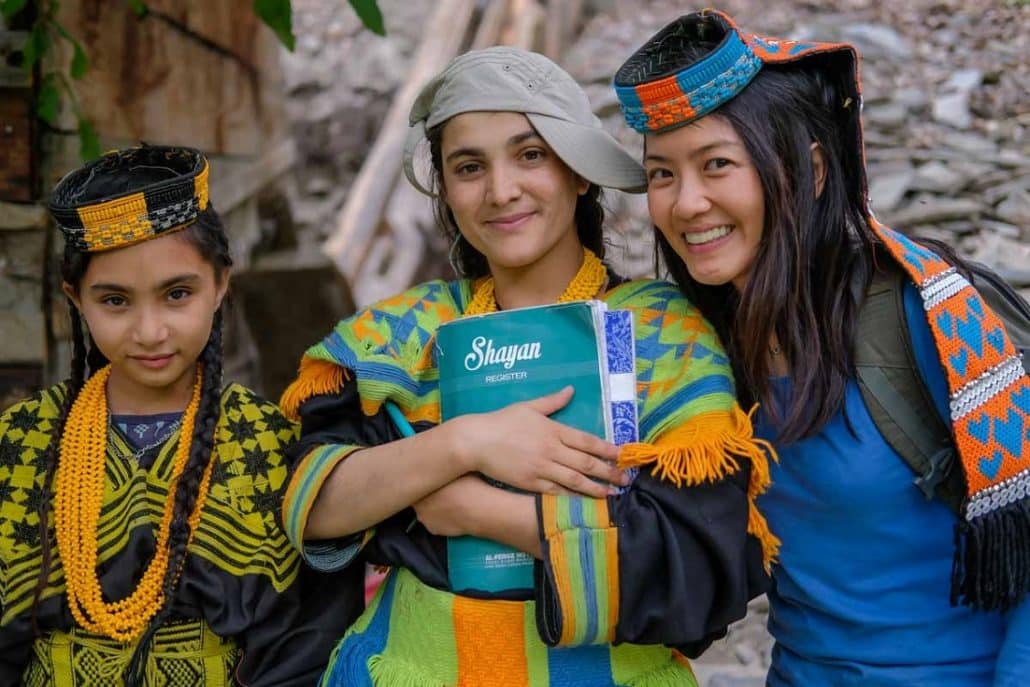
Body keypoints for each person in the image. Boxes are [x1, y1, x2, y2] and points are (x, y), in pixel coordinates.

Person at [279, 46, 775, 686]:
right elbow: (313, 508)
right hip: (409, 669)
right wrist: (468, 442)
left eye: (530, 155)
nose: (501, 190)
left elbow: (694, 557)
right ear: (447, 191)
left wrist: (473, 511)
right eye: (468, 167)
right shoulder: (403, 335)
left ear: (579, 172)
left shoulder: (660, 332)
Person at [613, 9, 1030, 686]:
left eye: (717, 164)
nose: (688, 202)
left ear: (808, 170)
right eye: (662, 175)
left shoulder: (930, 322)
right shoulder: (694, 346)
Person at [0, 145, 358, 686]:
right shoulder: (24, 439)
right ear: (76, 300)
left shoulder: (269, 442)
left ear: (220, 285)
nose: (149, 331)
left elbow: (307, 640)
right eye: (115, 301)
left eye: (176, 294)